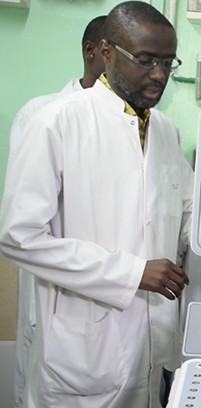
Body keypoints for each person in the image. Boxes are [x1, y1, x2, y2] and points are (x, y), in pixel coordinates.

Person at [0, 2, 193, 407]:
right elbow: (18, 236)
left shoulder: (166, 132)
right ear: (106, 53)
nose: (159, 75)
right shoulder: (56, 123)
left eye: (167, 62)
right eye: (145, 60)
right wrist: (131, 272)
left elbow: (189, 214)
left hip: (152, 342)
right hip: (83, 351)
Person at [5, 15, 107, 408]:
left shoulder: (145, 125)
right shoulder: (43, 114)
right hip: (59, 289)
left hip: (115, 297)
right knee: (40, 378)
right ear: (92, 51)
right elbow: (25, 224)